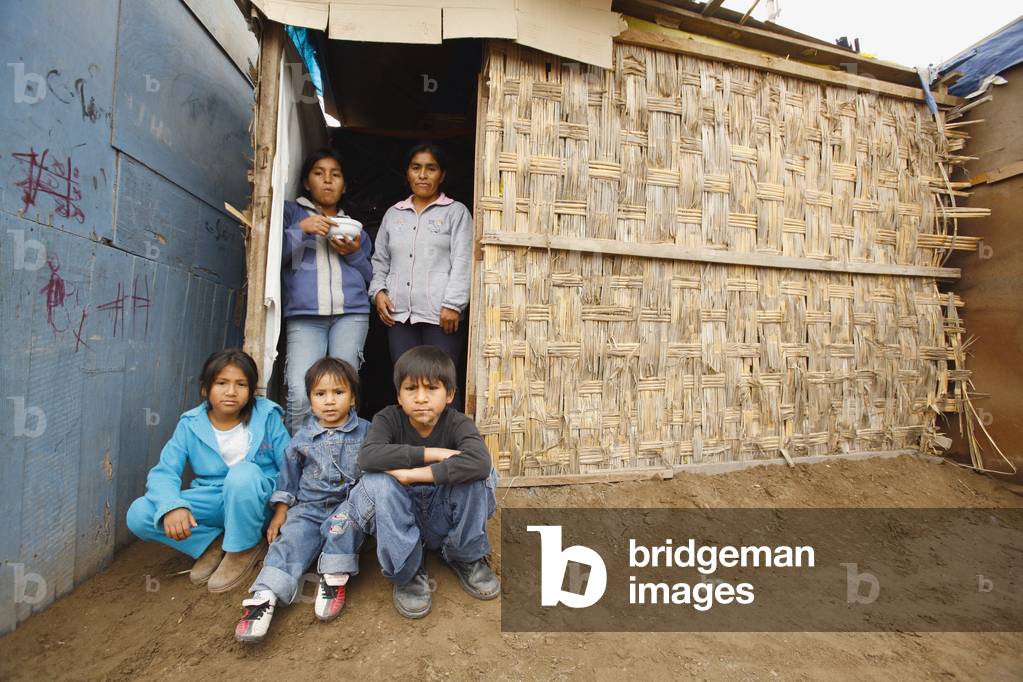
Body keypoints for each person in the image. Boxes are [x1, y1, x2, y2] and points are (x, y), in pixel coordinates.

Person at [330, 346, 499, 620]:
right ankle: (407, 570)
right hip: (399, 518)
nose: (421, 398)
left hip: (442, 516)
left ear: (450, 395)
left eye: (431, 389)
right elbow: (368, 456)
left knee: (480, 477)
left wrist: (413, 474)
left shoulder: (458, 423)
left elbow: (480, 462)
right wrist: (432, 454)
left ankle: (463, 555)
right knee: (378, 482)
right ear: (399, 395)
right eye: (411, 389)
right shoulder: (388, 418)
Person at [126, 349, 290, 593]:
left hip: (257, 502)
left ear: (251, 390)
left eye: (241, 384)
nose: (231, 392)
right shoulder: (191, 424)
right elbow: (165, 472)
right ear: (205, 388)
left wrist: (282, 509)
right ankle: (211, 543)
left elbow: (290, 465)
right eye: (222, 383)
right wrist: (173, 505)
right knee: (139, 514)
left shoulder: (266, 416)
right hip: (214, 501)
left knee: (242, 474)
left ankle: (243, 547)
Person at [235, 358, 370, 643]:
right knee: (291, 539)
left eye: (338, 393)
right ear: (309, 399)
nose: (329, 401)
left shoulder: (367, 432)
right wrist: (281, 511)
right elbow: (289, 479)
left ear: (354, 397)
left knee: (344, 526)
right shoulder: (301, 438)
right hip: (308, 508)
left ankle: (333, 577)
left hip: (347, 503)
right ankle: (265, 596)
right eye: (320, 394)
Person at [368, 143, 472, 408]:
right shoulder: (394, 214)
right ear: (408, 173)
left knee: (442, 385)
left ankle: (449, 448)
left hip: (442, 316)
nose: (423, 175)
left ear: (442, 175)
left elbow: (464, 260)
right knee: (407, 385)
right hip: (399, 316)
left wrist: (453, 305)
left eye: (431, 168)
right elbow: (380, 260)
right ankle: (413, 449)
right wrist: (378, 292)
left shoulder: (455, 212)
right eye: (416, 168)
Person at [281, 148, 373, 432]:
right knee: (300, 392)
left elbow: (369, 276)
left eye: (335, 175)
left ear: (344, 185)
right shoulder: (290, 213)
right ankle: (298, 461)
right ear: (307, 182)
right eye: (319, 174)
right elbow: (270, 257)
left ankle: (340, 461)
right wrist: (302, 229)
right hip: (304, 316)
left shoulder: (356, 228)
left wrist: (354, 252)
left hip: (351, 315)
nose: (328, 181)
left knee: (343, 393)